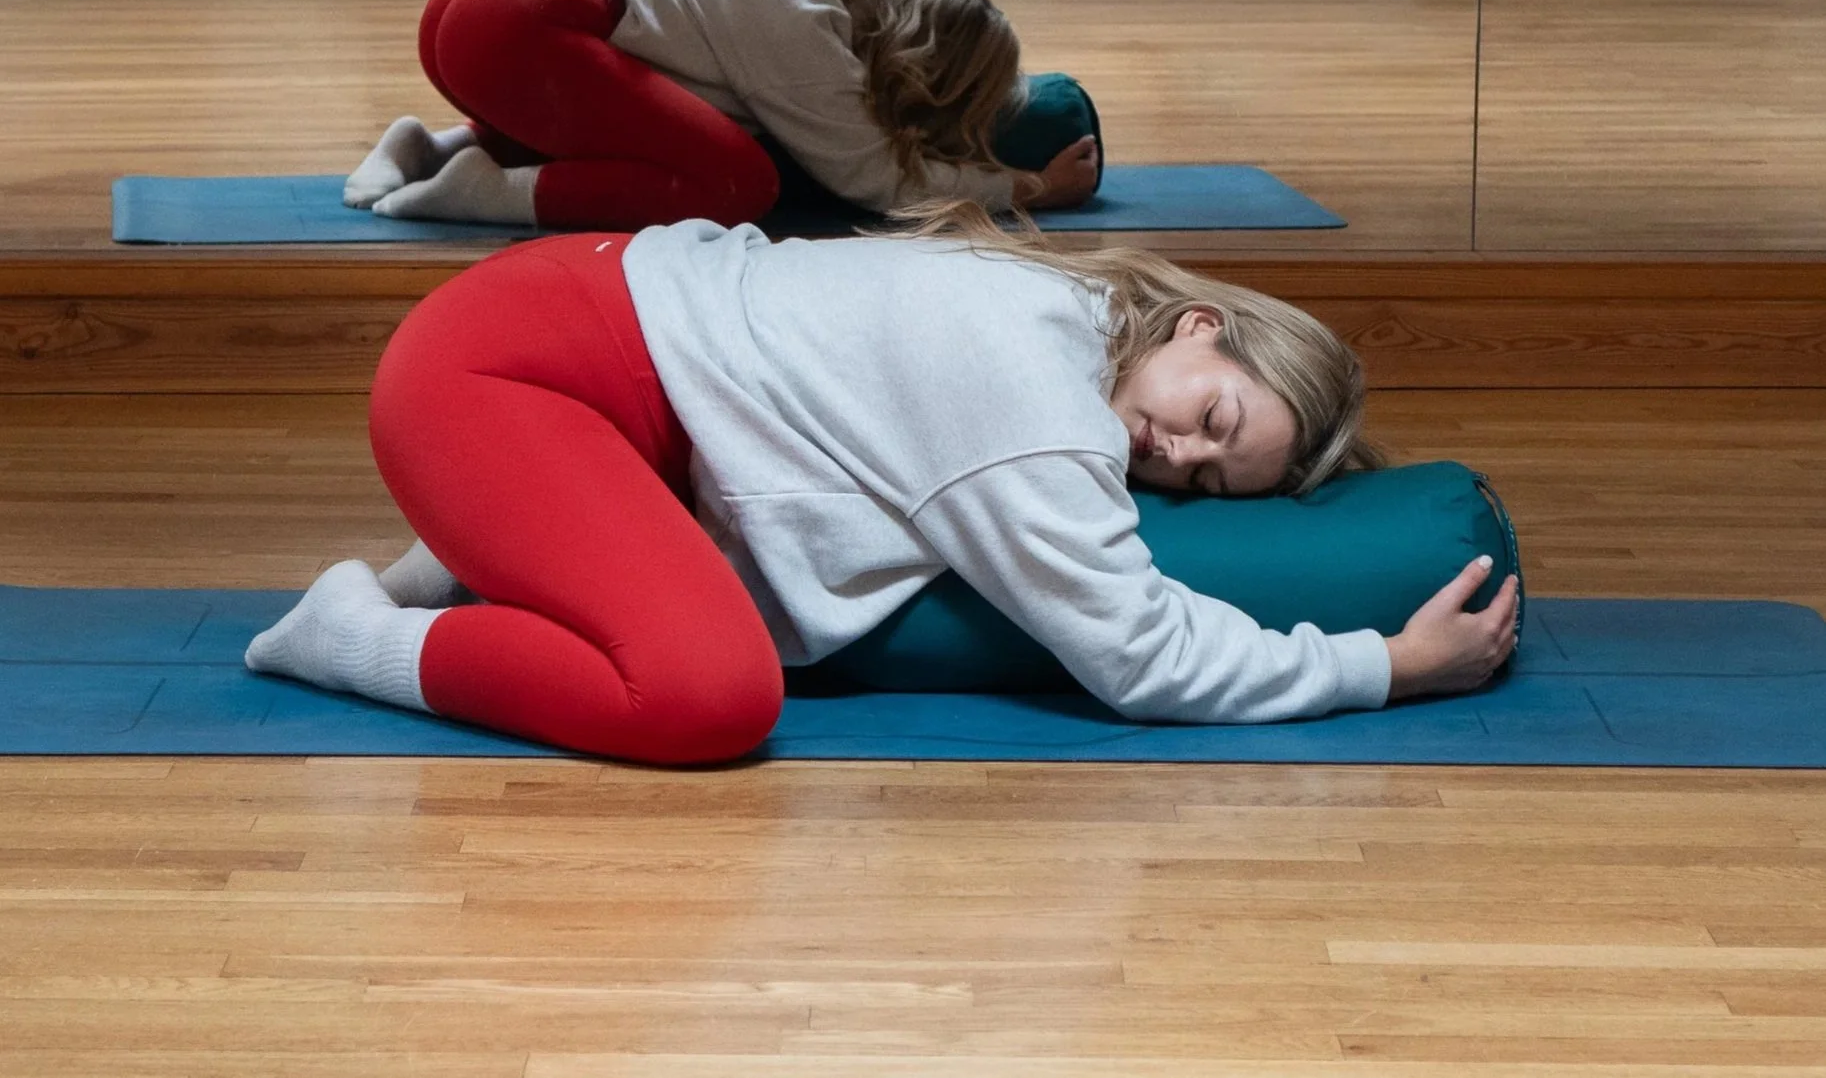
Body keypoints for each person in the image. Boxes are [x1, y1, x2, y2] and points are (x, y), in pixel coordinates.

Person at [245, 204, 1520, 765]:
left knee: (694, 654)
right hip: (508, 370)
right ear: (1193, 328)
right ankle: (345, 634)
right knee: (704, 697)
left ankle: (461, 565)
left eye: (1212, 477)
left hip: (598, 385)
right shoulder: (1030, 379)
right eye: (1211, 418)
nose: (1176, 460)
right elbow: (1139, 659)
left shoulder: (1061, 325)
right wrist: (1385, 666)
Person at [342, 0, 1102, 231]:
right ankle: (484, 192)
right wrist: (1025, 188)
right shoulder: (805, 28)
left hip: (490, 5)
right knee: (737, 181)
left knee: (659, 124)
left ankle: (430, 148)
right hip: (514, 31)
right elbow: (874, 181)